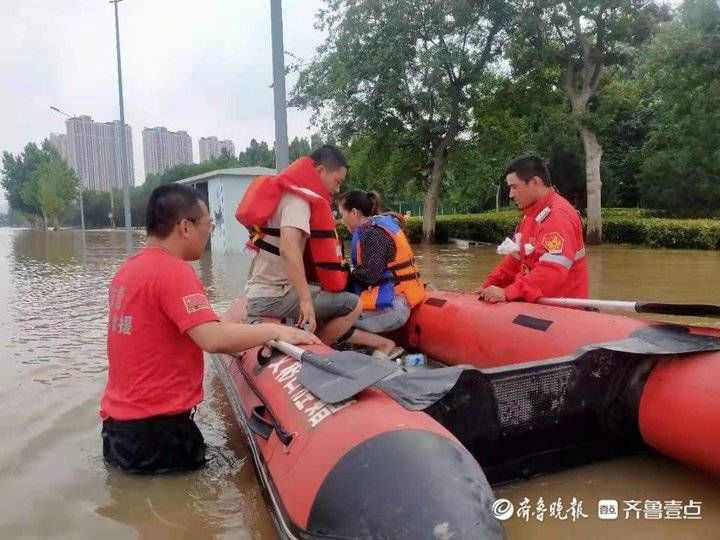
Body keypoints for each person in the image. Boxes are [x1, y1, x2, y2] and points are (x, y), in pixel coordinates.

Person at [100, 184, 318, 474]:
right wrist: (276, 332)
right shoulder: (174, 271)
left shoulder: (127, 271)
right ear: (185, 227)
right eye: (209, 225)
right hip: (159, 434)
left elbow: (173, 332)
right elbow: (212, 339)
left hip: (119, 430)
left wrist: (231, 323)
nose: (209, 233)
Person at [237, 145, 363, 346]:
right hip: (274, 296)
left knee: (317, 289)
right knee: (354, 304)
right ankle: (320, 349)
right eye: (337, 181)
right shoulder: (298, 200)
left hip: (262, 290)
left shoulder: (284, 193)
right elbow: (288, 249)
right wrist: (305, 301)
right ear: (320, 171)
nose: (338, 189)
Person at [475, 155, 588, 303]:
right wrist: (489, 285)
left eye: (514, 187)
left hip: (560, 310)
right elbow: (514, 261)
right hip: (535, 303)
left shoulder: (558, 216)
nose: (510, 194)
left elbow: (552, 271)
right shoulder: (530, 215)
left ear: (535, 182)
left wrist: (508, 292)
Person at [338, 190, 426, 359]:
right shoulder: (377, 227)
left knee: (333, 322)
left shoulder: (372, 234)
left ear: (354, 213)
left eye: (342, 214)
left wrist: (342, 276)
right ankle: (375, 346)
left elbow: (370, 275)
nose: (342, 220)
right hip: (399, 301)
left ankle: (385, 346)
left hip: (394, 308)